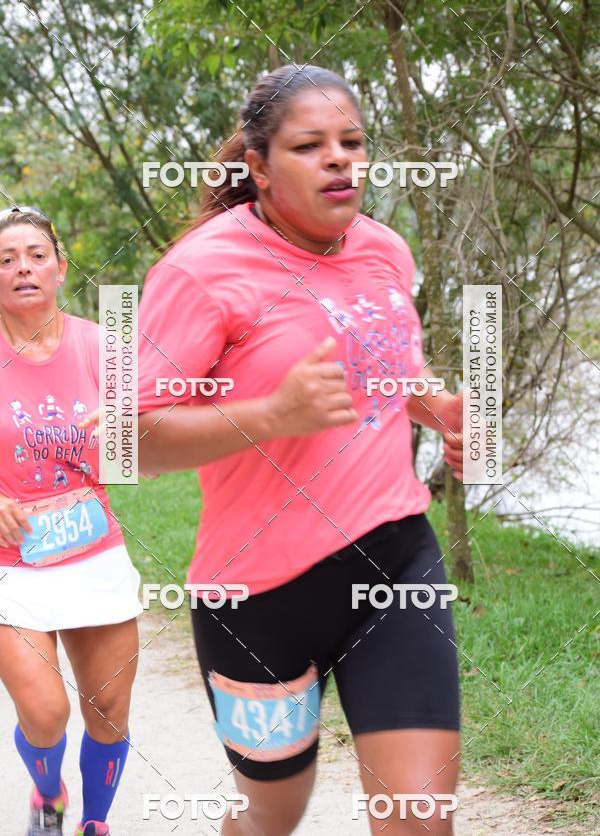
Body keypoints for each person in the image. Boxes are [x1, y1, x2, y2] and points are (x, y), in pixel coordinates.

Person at [137, 65, 464, 836]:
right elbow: (131, 439)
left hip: (394, 561)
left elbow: (387, 370)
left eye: (352, 142)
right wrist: (272, 413)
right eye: (310, 145)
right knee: (271, 814)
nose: (339, 159)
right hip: (256, 597)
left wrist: (438, 405)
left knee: (420, 815)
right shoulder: (198, 271)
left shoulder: (385, 251)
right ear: (258, 167)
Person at [0, 207, 142, 836]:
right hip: (11, 563)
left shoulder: (101, 345)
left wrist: (126, 435)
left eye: (34, 254)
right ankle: (49, 794)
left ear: (60, 267)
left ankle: (94, 823)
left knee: (108, 706)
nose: (21, 268)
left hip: (93, 550)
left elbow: (140, 455)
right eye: (5, 259)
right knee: (46, 711)